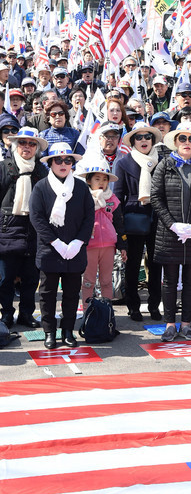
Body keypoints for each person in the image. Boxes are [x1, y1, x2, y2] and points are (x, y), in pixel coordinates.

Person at [151, 123, 191, 342]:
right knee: (169, 280)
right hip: (170, 233)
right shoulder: (164, 165)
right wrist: (173, 224)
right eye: (182, 139)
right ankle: (170, 324)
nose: (186, 143)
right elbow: (156, 198)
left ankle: (186, 324)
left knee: (190, 280)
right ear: (176, 142)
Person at [29, 143, 94, 349]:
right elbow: (37, 218)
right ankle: (50, 331)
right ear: (50, 163)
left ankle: (68, 330)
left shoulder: (82, 187)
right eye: (58, 160)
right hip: (50, 249)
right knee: (47, 294)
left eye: (68, 160)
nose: (63, 164)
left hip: (75, 249)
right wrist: (55, 242)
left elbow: (89, 217)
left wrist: (78, 242)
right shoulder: (41, 187)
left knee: (72, 293)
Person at [114, 122, 163, 322]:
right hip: (133, 218)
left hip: (158, 218)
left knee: (156, 264)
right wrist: (120, 226)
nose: (144, 140)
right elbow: (117, 197)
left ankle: (154, 305)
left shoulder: (161, 160)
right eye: (139, 137)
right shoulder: (124, 163)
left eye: (147, 136)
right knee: (133, 265)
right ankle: (133, 306)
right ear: (133, 141)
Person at [0, 127, 48, 328]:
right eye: (23, 143)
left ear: (36, 148)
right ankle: (7, 314)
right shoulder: (3, 167)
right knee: (5, 279)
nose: (27, 147)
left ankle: (26, 314)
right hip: (7, 229)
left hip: (33, 230)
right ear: (15, 145)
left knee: (30, 278)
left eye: (31, 144)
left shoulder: (42, 170)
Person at [78, 162, 128, 310]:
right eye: (97, 179)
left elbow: (119, 224)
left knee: (107, 281)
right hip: (89, 247)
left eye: (105, 179)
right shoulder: (82, 198)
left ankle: (107, 314)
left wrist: (122, 246)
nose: (101, 182)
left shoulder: (113, 199)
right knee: (88, 281)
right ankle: (88, 314)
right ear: (89, 180)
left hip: (108, 246)